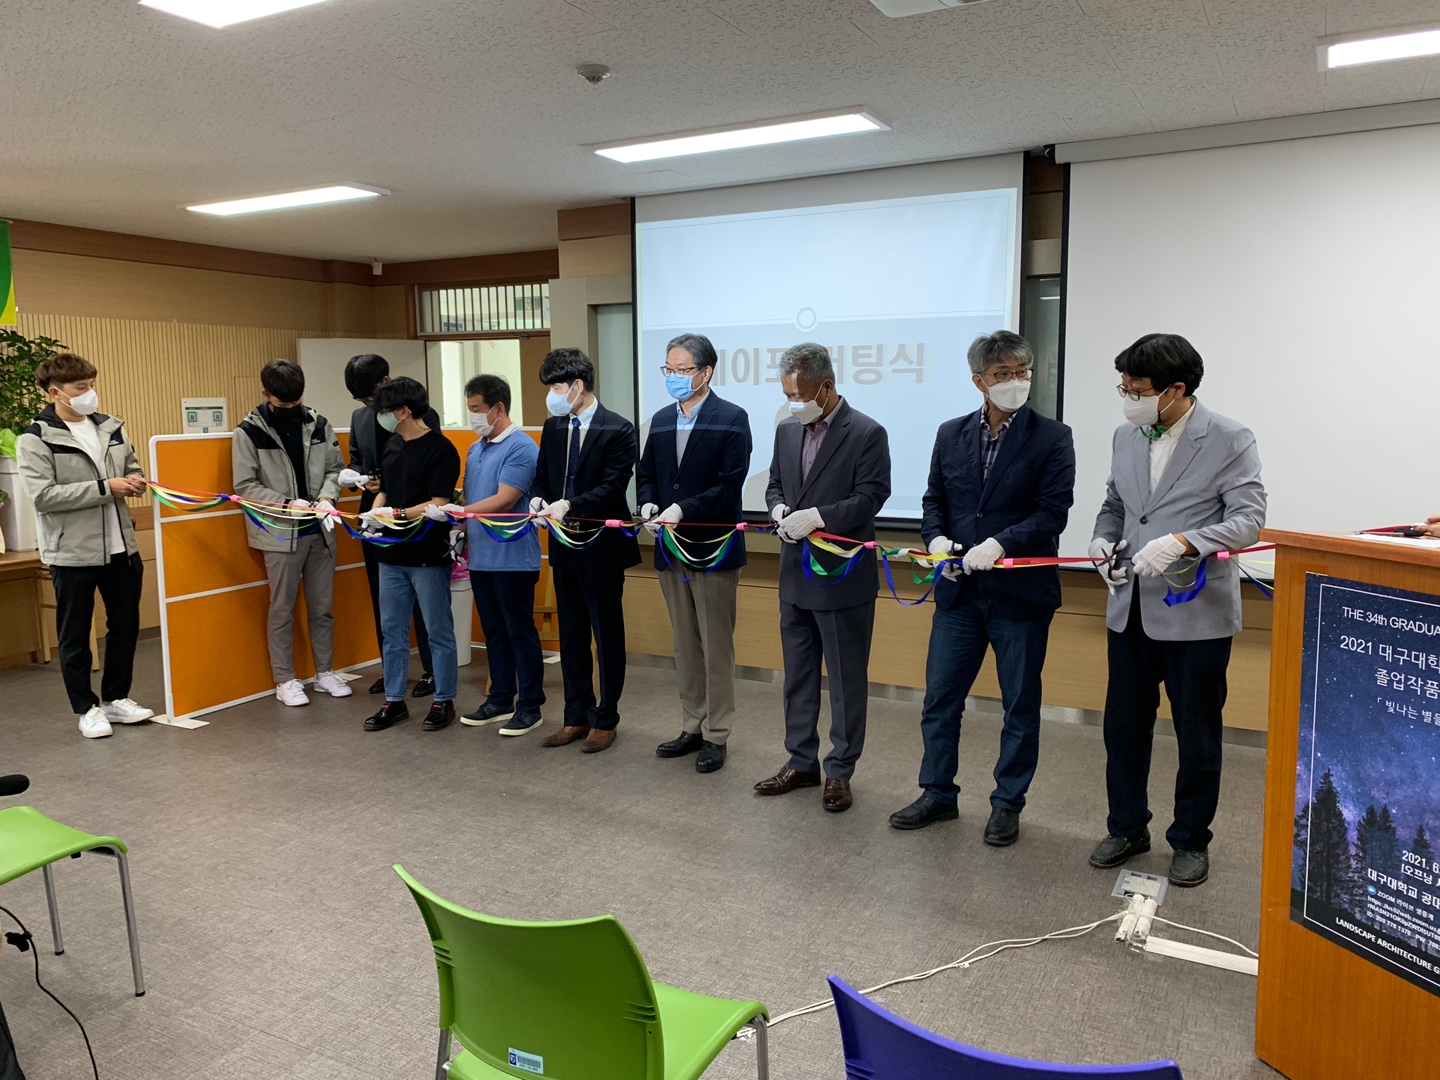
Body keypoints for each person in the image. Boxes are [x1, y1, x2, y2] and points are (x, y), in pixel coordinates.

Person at [1088, 333, 1266, 888]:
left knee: (1197, 735)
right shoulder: (1125, 434)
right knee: (1123, 729)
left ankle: (1190, 839)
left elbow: (1248, 520)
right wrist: (1102, 541)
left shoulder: (1230, 437)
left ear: (1176, 389)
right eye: (1123, 388)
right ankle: (1126, 827)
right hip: (1130, 610)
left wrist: (1185, 542)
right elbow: (1115, 505)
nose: (1128, 398)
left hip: (1196, 615)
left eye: (1137, 390)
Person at [890, 331, 1076, 845]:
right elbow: (934, 499)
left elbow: (1053, 511)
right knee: (940, 700)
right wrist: (936, 540)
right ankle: (937, 793)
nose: (1016, 381)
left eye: (1022, 372)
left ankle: (1007, 803)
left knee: (1019, 705)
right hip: (958, 595)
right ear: (979, 381)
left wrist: (999, 543)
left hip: (1020, 595)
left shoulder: (1052, 437)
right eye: (1003, 374)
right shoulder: (950, 433)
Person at [757, 343, 891, 812]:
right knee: (797, 677)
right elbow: (775, 483)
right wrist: (777, 507)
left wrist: (818, 516)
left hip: (842, 578)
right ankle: (801, 762)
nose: (794, 403)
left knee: (846, 682)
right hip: (794, 575)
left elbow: (871, 497)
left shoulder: (867, 432)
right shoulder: (786, 430)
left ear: (827, 386)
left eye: (800, 395)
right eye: (787, 395)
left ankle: (840, 770)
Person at [17, 352, 155, 739]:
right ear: (55, 392)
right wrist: (105, 488)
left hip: (121, 547)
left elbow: (132, 466)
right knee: (75, 633)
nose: (90, 393)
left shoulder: (111, 427)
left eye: (92, 385)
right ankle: (86, 708)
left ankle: (116, 698)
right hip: (72, 552)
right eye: (81, 387)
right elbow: (44, 496)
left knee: (125, 625)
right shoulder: (36, 438)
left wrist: (135, 480)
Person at [637, 333, 752, 774]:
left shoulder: (732, 418)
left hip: (713, 547)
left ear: (706, 372)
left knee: (715, 645)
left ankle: (717, 733)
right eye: (668, 370)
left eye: (681, 370)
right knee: (684, 644)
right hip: (670, 548)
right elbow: (646, 474)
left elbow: (729, 484)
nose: (673, 377)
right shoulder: (662, 419)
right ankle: (692, 724)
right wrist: (649, 503)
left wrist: (683, 509)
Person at [530, 348, 640, 753]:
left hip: (601, 546)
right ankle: (575, 715)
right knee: (572, 633)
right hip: (563, 544)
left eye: (556, 387)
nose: (552, 395)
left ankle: (606, 719)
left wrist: (570, 504)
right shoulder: (554, 426)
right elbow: (542, 476)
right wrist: (538, 500)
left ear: (577, 385)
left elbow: (613, 487)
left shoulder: (619, 428)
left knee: (605, 633)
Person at [231, 359, 351, 707]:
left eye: (295, 400)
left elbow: (335, 469)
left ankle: (325, 672)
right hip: (280, 533)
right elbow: (245, 485)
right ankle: (284, 680)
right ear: (265, 393)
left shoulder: (319, 424)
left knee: (322, 607)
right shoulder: (248, 432)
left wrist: (327, 497)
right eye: (283, 402)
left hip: (320, 531)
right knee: (282, 609)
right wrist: (286, 504)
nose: (290, 407)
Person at [360, 377, 461, 733]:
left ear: (404, 411)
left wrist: (398, 514)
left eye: (386, 410)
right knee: (392, 630)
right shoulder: (392, 446)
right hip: (391, 554)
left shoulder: (441, 449)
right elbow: (385, 490)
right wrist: (374, 513)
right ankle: (394, 700)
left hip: (427, 554)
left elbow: (439, 502)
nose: (382, 416)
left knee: (438, 630)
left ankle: (443, 698)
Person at [343, 354, 441, 699]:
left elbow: (429, 467)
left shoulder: (422, 414)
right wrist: (357, 478)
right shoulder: (359, 418)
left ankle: (432, 670)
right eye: (362, 399)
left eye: (372, 396)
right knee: (382, 598)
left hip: (414, 516)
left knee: (424, 600)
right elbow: (358, 459)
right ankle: (392, 670)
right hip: (375, 516)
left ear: (386, 381)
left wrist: (387, 483)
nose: (369, 405)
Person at [455, 374, 546, 737]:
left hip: (513, 558)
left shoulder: (521, 447)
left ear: (498, 408)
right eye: (469, 408)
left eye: (477, 409)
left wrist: (460, 513)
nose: (473, 416)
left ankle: (530, 706)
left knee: (519, 631)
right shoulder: (476, 448)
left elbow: (505, 499)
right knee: (493, 631)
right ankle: (500, 699)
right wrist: (457, 517)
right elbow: (470, 497)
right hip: (481, 556)